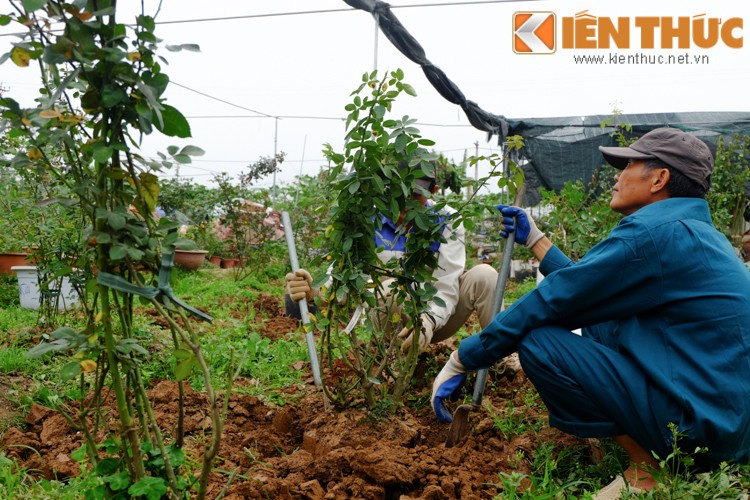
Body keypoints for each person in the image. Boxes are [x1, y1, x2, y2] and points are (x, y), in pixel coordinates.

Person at [431, 128, 750, 498]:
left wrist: (462, 358)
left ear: (659, 179)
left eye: (628, 164)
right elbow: (588, 288)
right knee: (604, 319)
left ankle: (649, 471)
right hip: (727, 425)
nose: (617, 175)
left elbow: (555, 300)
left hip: (696, 427)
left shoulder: (653, 233)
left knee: (539, 341)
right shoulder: (691, 231)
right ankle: (661, 454)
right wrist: (536, 240)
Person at [285, 168, 516, 359]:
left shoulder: (447, 220)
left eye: (415, 196)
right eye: (398, 194)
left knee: (485, 276)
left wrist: (427, 319)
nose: (405, 205)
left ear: (433, 191)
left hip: (437, 319)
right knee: (393, 289)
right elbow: (343, 274)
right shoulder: (369, 219)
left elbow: (447, 287)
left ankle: (504, 360)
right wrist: (314, 292)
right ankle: (396, 358)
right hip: (390, 318)